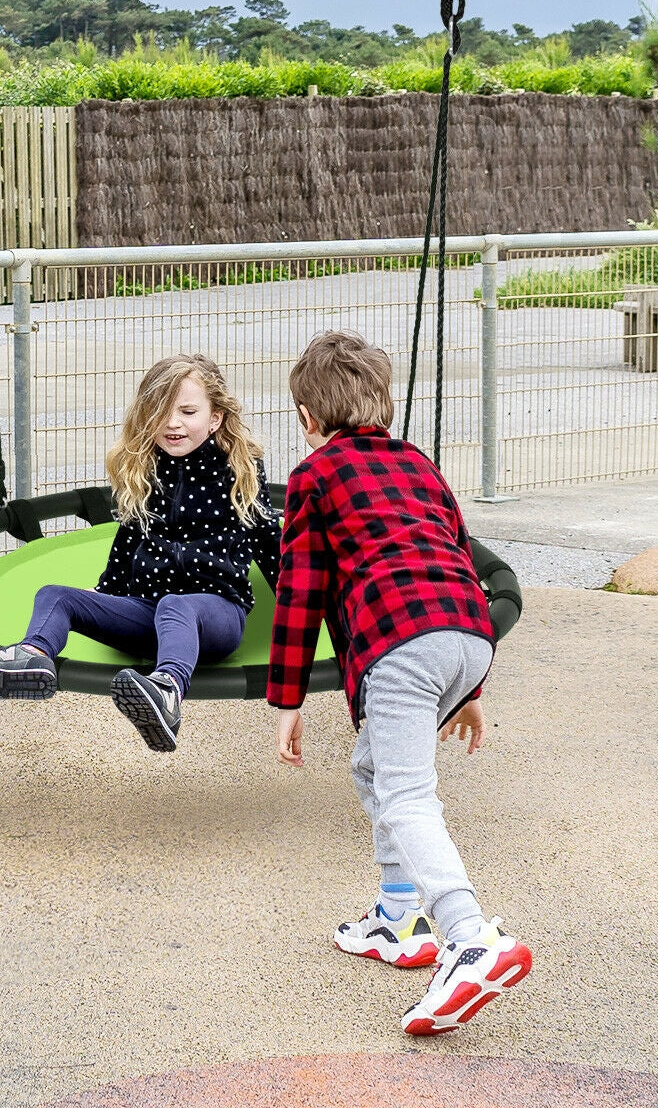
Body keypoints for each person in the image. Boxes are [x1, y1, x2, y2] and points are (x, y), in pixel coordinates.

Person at [267, 330, 531, 1036]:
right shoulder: (419, 463)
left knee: (407, 795)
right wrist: (471, 689)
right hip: (469, 634)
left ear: (306, 416)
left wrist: (287, 700)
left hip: (402, 644)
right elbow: (450, 551)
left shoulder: (314, 476)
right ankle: (395, 921)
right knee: (373, 766)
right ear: (383, 401)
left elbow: (300, 592)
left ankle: (470, 936)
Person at [0, 354, 280, 753]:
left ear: (215, 418)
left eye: (188, 411)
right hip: (146, 613)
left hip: (216, 616)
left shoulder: (239, 470)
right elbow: (127, 544)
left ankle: (166, 692)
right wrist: (103, 598)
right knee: (55, 595)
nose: (172, 423)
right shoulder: (145, 469)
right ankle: (31, 657)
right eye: (160, 412)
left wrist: (308, 612)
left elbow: (267, 543)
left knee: (177, 606)